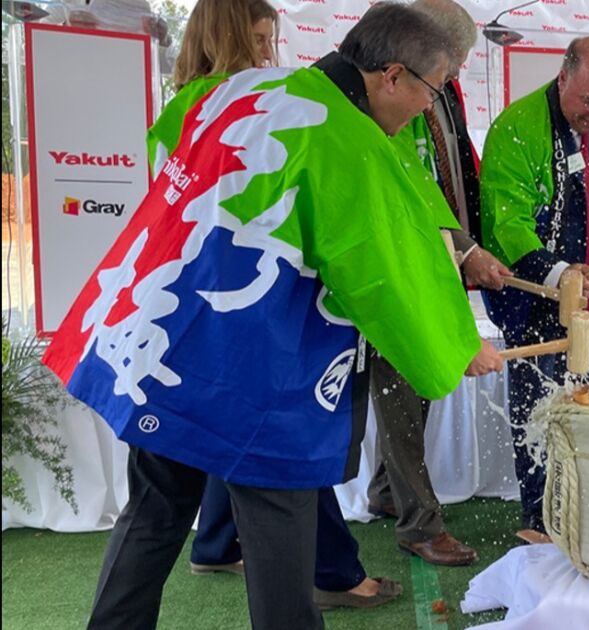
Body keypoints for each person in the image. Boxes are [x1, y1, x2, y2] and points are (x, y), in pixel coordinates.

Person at [43, 4, 503, 628]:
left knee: (153, 512)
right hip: (251, 365)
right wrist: (457, 346)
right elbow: (380, 275)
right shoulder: (347, 140)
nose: (430, 107)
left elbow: (167, 139)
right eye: (433, 90)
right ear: (392, 76)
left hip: (165, 334)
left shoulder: (243, 86)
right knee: (281, 541)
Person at [149, 0, 406, 608]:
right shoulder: (255, 110)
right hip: (251, 334)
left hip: (181, 331)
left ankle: (217, 544)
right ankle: (335, 572)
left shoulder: (190, 106)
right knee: (278, 483)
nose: (270, 54)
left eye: (273, 40)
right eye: (259, 40)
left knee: (161, 502)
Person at [479, 36, 589, 537]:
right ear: (562, 78)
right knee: (536, 396)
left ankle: (572, 496)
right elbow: (507, 219)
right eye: (588, 101)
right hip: (533, 290)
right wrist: (559, 275)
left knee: (579, 389)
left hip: (588, 289)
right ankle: (537, 510)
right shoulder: (517, 128)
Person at [367, 0, 510, 566]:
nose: (454, 77)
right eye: (453, 64)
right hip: (398, 267)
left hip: (434, 257)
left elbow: (447, 173)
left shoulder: (434, 90)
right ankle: (419, 525)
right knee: (400, 388)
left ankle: (386, 492)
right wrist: (463, 246)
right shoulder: (385, 97)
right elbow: (410, 185)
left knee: (409, 391)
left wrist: (468, 245)